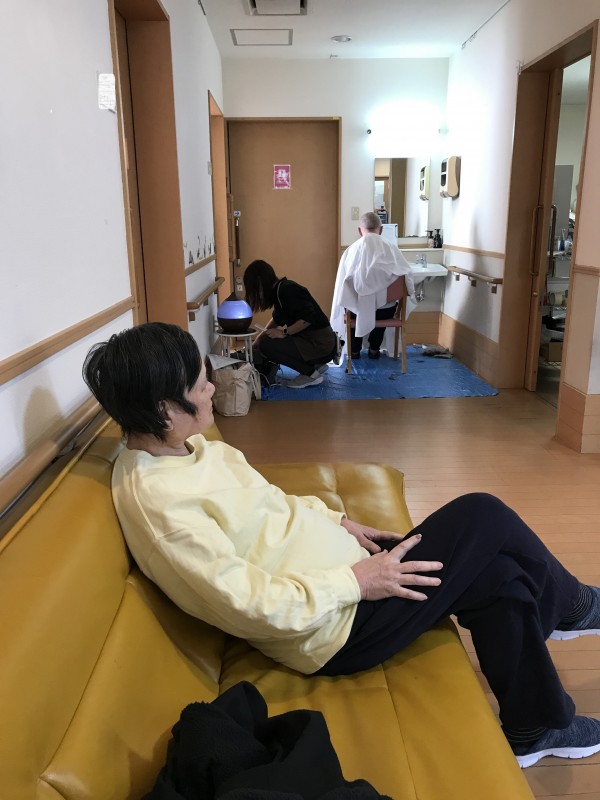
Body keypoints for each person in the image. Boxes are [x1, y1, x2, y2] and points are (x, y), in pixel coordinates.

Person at [83, 321, 600, 770]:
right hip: (337, 628)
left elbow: (270, 502)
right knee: (482, 514)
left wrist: (338, 521)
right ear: (164, 411)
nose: (213, 388)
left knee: (500, 576)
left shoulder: (188, 447)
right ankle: (573, 606)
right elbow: (250, 604)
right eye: (200, 385)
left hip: (352, 578)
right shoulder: (162, 508)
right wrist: (356, 582)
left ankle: (534, 727)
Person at [331, 211, 415, 360]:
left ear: (359, 231)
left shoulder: (351, 251)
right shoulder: (392, 249)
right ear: (381, 230)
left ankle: (354, 350)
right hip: (386, 311)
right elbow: (407, 278)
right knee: (384, 305)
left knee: (352, 304)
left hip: (356, 310)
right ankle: (374, 348)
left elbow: (342, 286)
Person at [244, 259, 337, 388]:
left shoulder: (287, 290)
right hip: (318, 342)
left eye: (255, 290)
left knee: (267, 346)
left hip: (321, 345)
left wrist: (283, 333)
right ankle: (315, 365)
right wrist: (258, 340)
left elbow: (307, 318)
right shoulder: (279, 291)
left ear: (260, 283)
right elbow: (277, 319)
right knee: (264, 341)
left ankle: (310, 374)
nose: (258, 296)